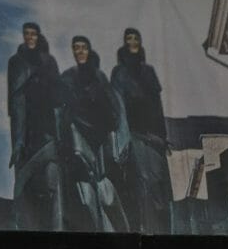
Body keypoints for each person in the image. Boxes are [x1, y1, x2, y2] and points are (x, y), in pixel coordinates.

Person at [59, 35, 131, 231]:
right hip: (79, 145)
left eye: (83, 47)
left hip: (100, 146)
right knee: (87, 199)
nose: (80, 51)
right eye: (76, 48)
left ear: (88, 51)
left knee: (107, 196)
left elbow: (113, 112)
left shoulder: (99, 78)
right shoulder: (67, 78)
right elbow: (65, 112)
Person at [110, 26, 173, 233]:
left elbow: (157, 104)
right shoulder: (119, 73)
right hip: (134, 135)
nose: (133, 41)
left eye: (136, 37)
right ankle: (146, 231)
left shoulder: (148, 71)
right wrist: (123, 139)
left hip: (154, 137)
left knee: (159, 186)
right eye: (129, 38)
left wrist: (163, 136)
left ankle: (163, 231)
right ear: (125, 43)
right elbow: (118, 108)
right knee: (143, 185)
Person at [7, 21, 64, 230]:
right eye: (27, 34)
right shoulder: (16, 62)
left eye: (33, 34)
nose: (30, 37)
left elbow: (58, 100)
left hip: (46, 127)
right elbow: (15, 99)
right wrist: (19, 140)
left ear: (38, 36)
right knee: (26, 182)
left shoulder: (48, 62)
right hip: (25, 128)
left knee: (51, 180)